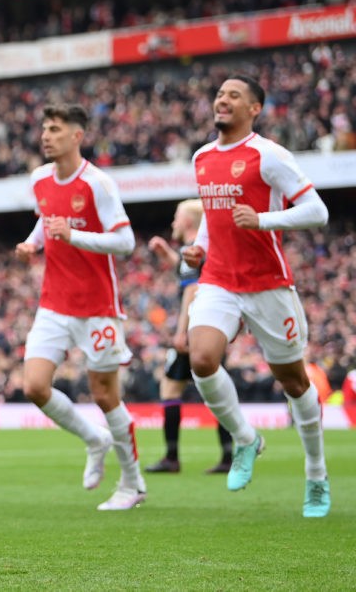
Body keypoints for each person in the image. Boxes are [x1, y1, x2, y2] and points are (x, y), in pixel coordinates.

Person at [183, 74, 331, 517]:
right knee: (202, 359)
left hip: (268, 284)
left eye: (234, 95)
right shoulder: (202, 157)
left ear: (254, 109)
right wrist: (200, 251)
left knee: (293, 382)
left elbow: (318, 212)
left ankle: (317, 475)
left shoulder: (269, 155)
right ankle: (246, 439)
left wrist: (264, 220)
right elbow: (213, 215)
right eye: (220, 94)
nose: (222, 100)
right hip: (219, 279)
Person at [14, 103, 145, 511]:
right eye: (44, 129)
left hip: (98, 307)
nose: (45, 136)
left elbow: (125, 243)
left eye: (54, 129)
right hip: (53, 303)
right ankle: (94, 439)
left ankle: (132, 484)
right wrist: (34, 243)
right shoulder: (39, 179)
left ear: (77, 136)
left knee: (105, 395)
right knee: (34, 386)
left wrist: (74, 236)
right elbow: (45, 219)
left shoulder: (98, 184)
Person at [144, 199, 232, 475]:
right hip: (210, 327)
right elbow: (185, 273)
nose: (173, 222)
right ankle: (229, 456)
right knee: (214, 389)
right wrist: (168, 254)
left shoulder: (195, 249)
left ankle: (172, 457)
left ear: (190, 223)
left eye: (177, 217)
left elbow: (192, 289)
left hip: (197, 329)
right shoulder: (197, 251)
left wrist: (182, 331)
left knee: (172, 388)